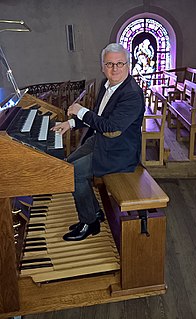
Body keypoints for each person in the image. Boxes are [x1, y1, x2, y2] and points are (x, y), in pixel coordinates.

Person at [51, 43, 145, 241]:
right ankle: (94, 213)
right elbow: (98, 115)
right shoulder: (107, 84)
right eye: (110, 64)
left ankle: (89, 222)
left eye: (120, 63)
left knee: (74, 172)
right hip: (101, 142)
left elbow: (110, 127)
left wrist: (80, 111)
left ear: (128, 65)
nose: (115, 68)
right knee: (68, 166)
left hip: (119, 153)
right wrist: (70, 123)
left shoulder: (132, 94)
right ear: (102, 66)